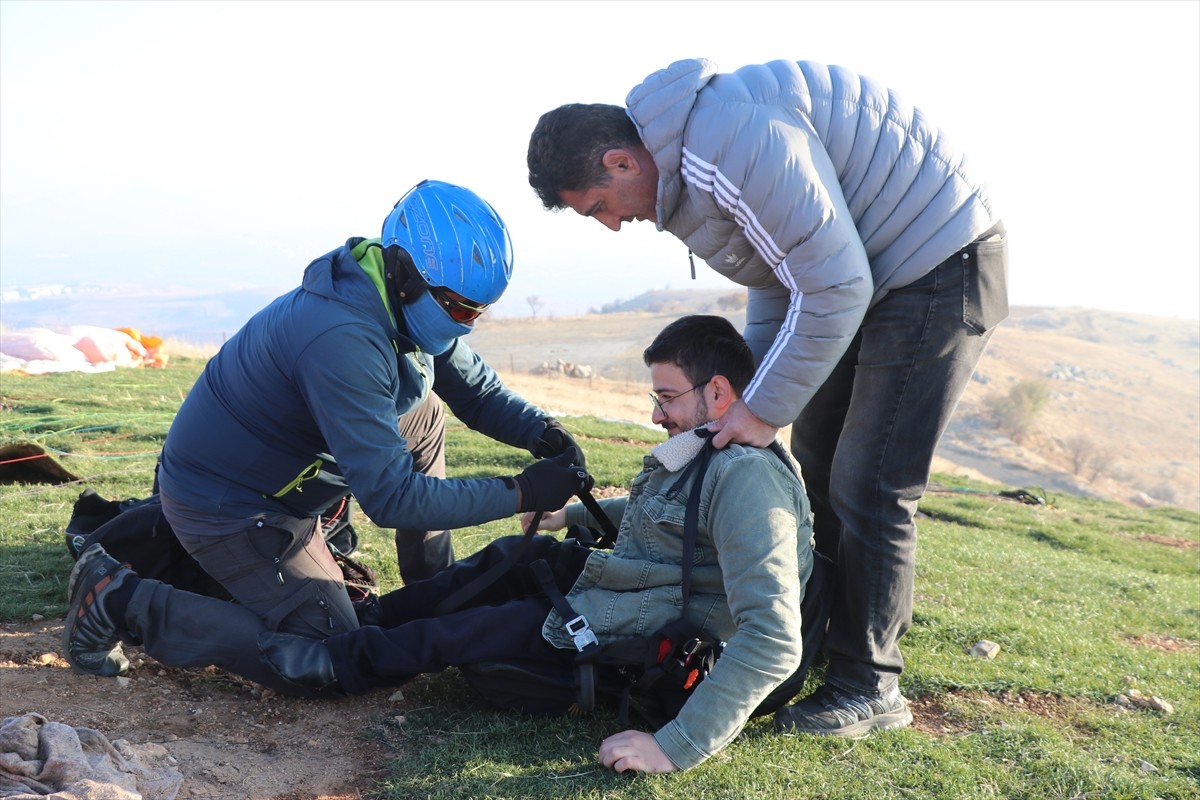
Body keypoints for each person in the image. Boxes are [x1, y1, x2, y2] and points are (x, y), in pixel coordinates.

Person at [527, 59, 1009, 737]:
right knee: (814, 461)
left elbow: (834, 284)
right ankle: (815, 642)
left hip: (934, 263)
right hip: (870, 278)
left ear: (621, 161)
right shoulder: (691, 163)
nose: (610, 225)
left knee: (868, 479)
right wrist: (742, 402)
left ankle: (869, 684)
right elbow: (783, 280)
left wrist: (759, 410)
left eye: (601, 205)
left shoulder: (727, 143)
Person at [62, 180, 590, 688]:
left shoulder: (399, 296)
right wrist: (521, 492)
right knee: (332, 653)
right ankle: (118, 599)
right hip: (230, 504)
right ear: (406, 271)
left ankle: (431, 591)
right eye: (458, 307)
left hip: (288, 474)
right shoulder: (343, 338)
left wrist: (543, 433)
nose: (467, 323)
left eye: (479, 311)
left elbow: (475, 391)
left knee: (422, 414)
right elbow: (392, 498)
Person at [254, 314, 816, 773]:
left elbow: (771, 637)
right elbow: (677, 521)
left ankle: (335, 662)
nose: (654, 413)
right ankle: (365, 619)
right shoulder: (708, 450)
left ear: (717, 391)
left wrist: (674, 746)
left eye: (666, 398)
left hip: (651, 626)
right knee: (509, 558)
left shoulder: (747, 478)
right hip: (634, 586)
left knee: (483, 628)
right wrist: (568, 515)